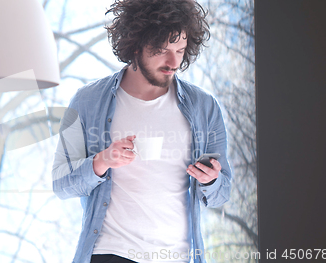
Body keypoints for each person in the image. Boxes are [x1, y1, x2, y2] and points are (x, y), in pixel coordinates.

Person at [52, 0, 232, 262]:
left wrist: (211, 180)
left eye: (180, 50)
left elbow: (222, 193)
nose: (173, 62)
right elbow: (60, 184)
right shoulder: (86, 101)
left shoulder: (205, 108)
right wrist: (101, 161)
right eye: (162, 50)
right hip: (110, 253)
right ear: (136, 44)